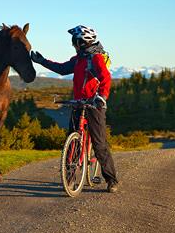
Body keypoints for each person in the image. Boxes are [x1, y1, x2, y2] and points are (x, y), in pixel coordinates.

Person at [31, 25, 119, 193]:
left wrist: (102, 97)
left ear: (81, 41)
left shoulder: (96, 58)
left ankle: (112, 180)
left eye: (74, 41)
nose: (73, 44)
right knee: (72, 144)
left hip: (95, 105)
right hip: (79, 102)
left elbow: (105, 78)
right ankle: (70, 179)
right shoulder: (79, 58)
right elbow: (62, 69)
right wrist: (42, 61)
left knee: (100, 144)